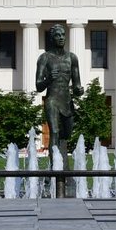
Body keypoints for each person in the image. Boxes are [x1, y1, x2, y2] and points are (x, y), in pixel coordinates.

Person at [35, 23, 83, 156]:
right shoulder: (44, 58)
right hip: (52, 100)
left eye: (63, 35)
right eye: (57, 35)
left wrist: (79, 90)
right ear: (51, 39)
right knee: (54, 132)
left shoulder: (72, 58)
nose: (61, 37)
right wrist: (48, 79)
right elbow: (38, 86)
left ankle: (62, 164)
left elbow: (77, 84)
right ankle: (54, 171)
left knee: (67, 133)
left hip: (67, 101)